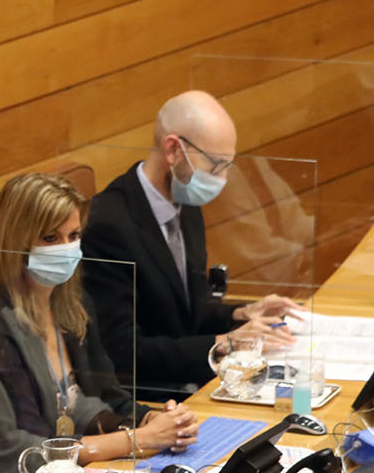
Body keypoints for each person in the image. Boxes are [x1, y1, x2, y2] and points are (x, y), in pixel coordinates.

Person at [0, 173, 198, 473]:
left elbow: (105, 397)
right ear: (17, 244)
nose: (66, 248)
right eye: (50, 238)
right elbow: (24, 452)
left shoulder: (70, 308)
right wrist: (134, 440)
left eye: (74, 235)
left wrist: (155, 420)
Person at [83, 90, 300, 398]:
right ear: (173, 149)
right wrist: (225, 344)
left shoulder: (186, 204)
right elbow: (122, 351)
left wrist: (241, 314)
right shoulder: (109, 225)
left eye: (228, 165)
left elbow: (186, 314)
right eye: (216, 165)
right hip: (149, 395)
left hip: (190, 378)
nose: (222, 179)